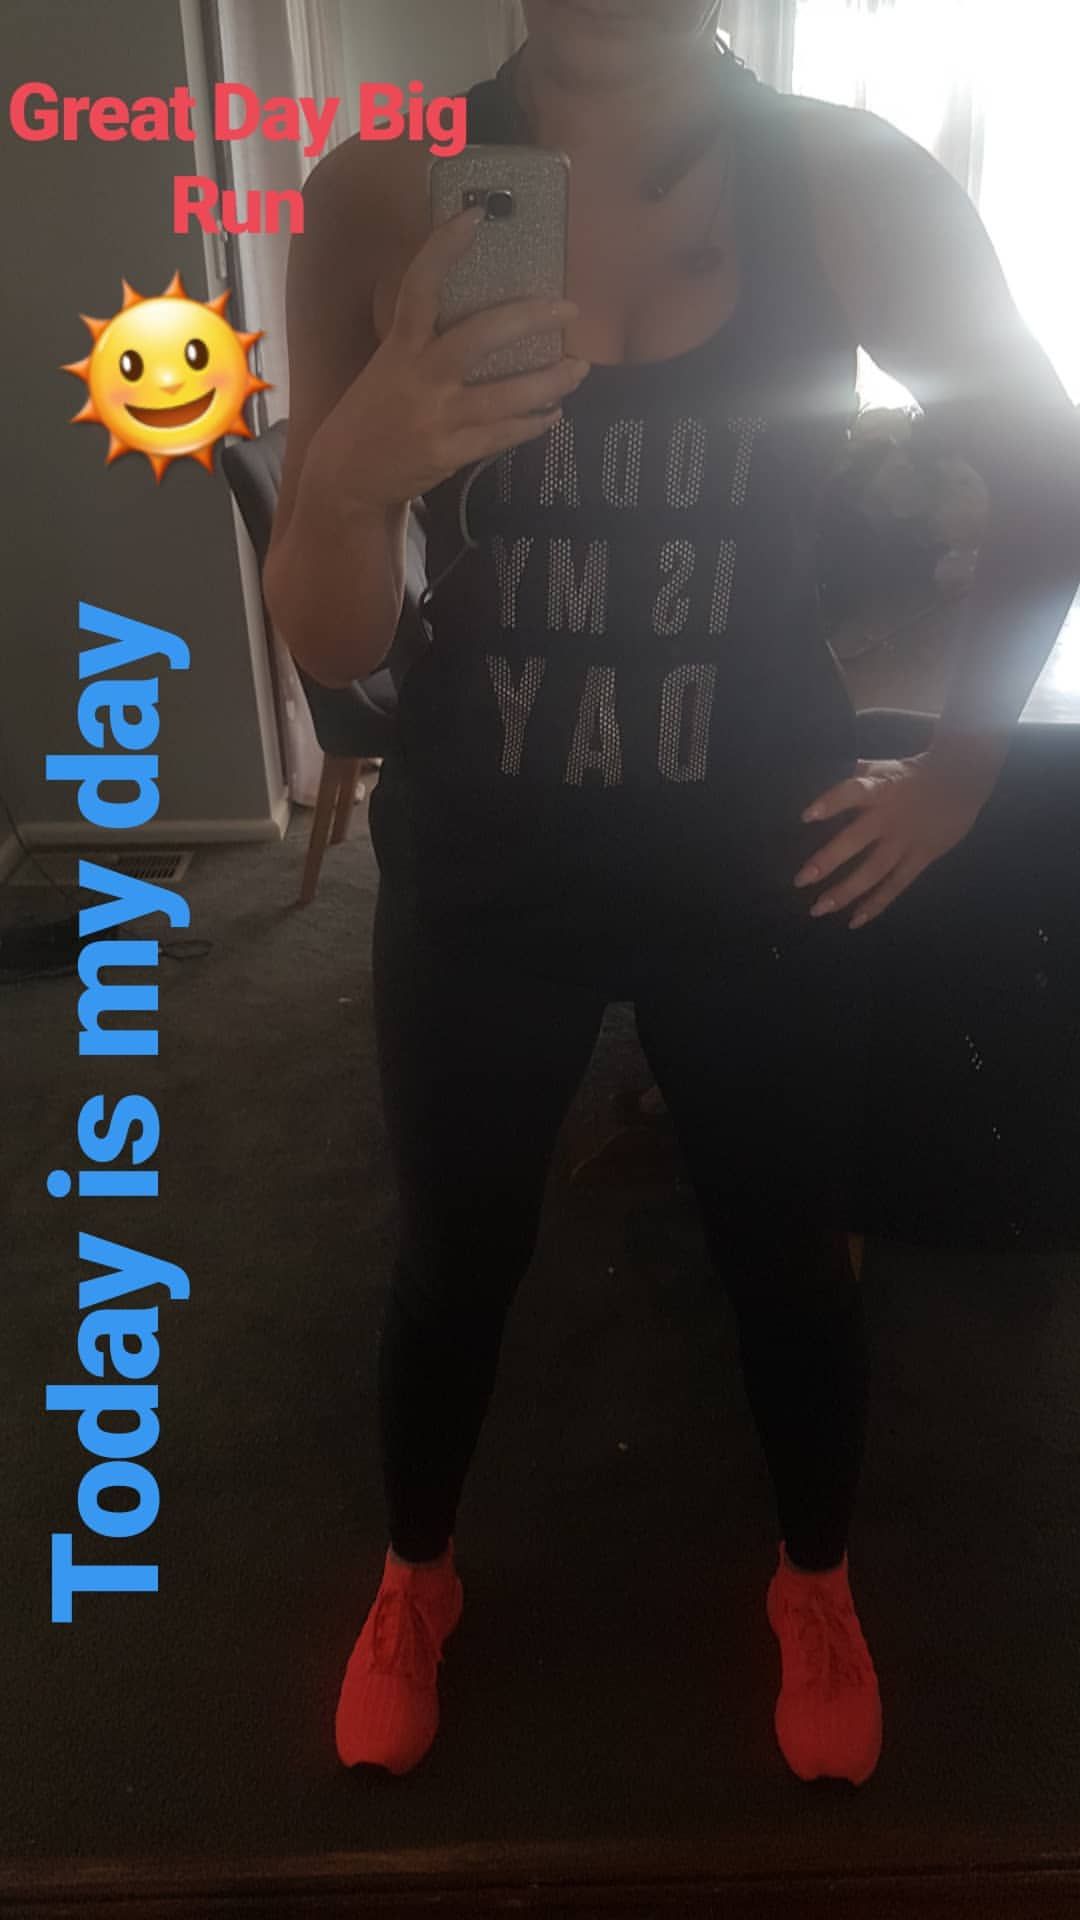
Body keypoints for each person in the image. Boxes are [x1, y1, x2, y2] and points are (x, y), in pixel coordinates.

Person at [264, 0, 1080, 1787]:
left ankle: (816, 1582)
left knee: (788, 1250)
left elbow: (1047, 457)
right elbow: (331, 643)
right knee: (456, 1252)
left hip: (758, 852)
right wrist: (357, 473)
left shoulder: (851, 183)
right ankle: (415, 1576)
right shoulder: (382, 192)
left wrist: (961, 766)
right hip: (487, 859)